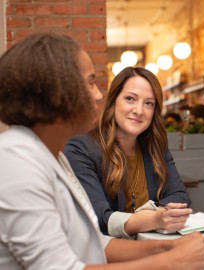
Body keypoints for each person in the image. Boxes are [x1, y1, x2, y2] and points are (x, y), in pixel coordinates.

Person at [0, 32, 204, 269]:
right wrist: (172, 261)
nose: (98, 95)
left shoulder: (53, 157)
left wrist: (167, 247)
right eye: (90, 83)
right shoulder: (14, 159)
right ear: (54, 91)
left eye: (149, 103)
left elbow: (95, 243)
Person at [64, 67, 192, 238]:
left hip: (153, 247)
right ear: (113, 101)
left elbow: (180, 196)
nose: (139, 110)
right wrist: (155, 219)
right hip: (108, 255)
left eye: (149, 103)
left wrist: (157, 217)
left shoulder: (155, 146)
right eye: (130, 99)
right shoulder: (81, 149)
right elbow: (98, 218)